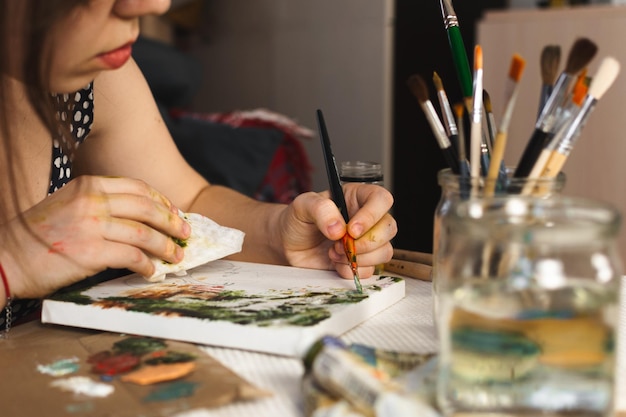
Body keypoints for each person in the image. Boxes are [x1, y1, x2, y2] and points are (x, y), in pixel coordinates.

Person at [0, 0, 397, 332]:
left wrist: (282, 234)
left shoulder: (95, 81)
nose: (155, 4)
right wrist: (11, 261)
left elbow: (187, 202)